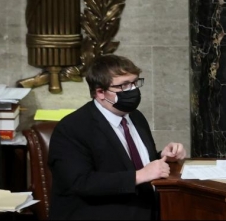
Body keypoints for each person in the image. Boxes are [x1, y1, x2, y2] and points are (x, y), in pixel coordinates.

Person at [48, 54, 186, 220]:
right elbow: (80, 182)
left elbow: (130, 162)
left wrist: (163, 156)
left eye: (134, 83)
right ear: (100, 92)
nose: (132, 90)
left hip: (148, 209)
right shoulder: (71, 128)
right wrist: (139, 175)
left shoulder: (136, 117)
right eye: (123, 86)